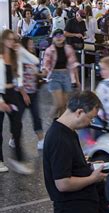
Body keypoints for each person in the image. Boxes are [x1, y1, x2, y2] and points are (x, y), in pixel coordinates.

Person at [43, 91, 106, 213]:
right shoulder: (59, 138)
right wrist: (93, 178)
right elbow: (63, 184)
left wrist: (83, 161)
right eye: (90, 117)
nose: (90, 123)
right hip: (73, 210)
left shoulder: (68, 131)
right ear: (79, 112)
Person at [0, 30, 39, 174]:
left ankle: (19, 160)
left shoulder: (17, 55)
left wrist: (21, 49)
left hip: (13, 93)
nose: (12, 42)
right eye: (10, 39)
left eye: (14, 39)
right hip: (1, 94)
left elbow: (35, 61)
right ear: (3, 40)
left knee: (17, 127)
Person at [42, 29, 80, 119]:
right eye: (56, 36)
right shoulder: (49, 50)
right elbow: (46, 65)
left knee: (64, 105)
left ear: (64, 37)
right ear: (53, 38)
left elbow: (73, 65)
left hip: (66, 76)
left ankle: (60, 125)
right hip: (54, 76)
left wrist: (77, 81)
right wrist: (43, 73)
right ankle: (51, 121)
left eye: (61, 36)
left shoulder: (68, 49)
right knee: (59, 104)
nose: (59, 38)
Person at [17, 37, 44, 150]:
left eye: (33, 44)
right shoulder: (20, 60)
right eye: (30, 44)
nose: (33, 46)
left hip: (33, 93)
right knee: (17, 119)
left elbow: (35, 74)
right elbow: (18, 78)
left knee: (36, 117)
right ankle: (14, 138)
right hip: (22, 94)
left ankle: (41, 141)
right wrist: (24, 94)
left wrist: (43, 75)